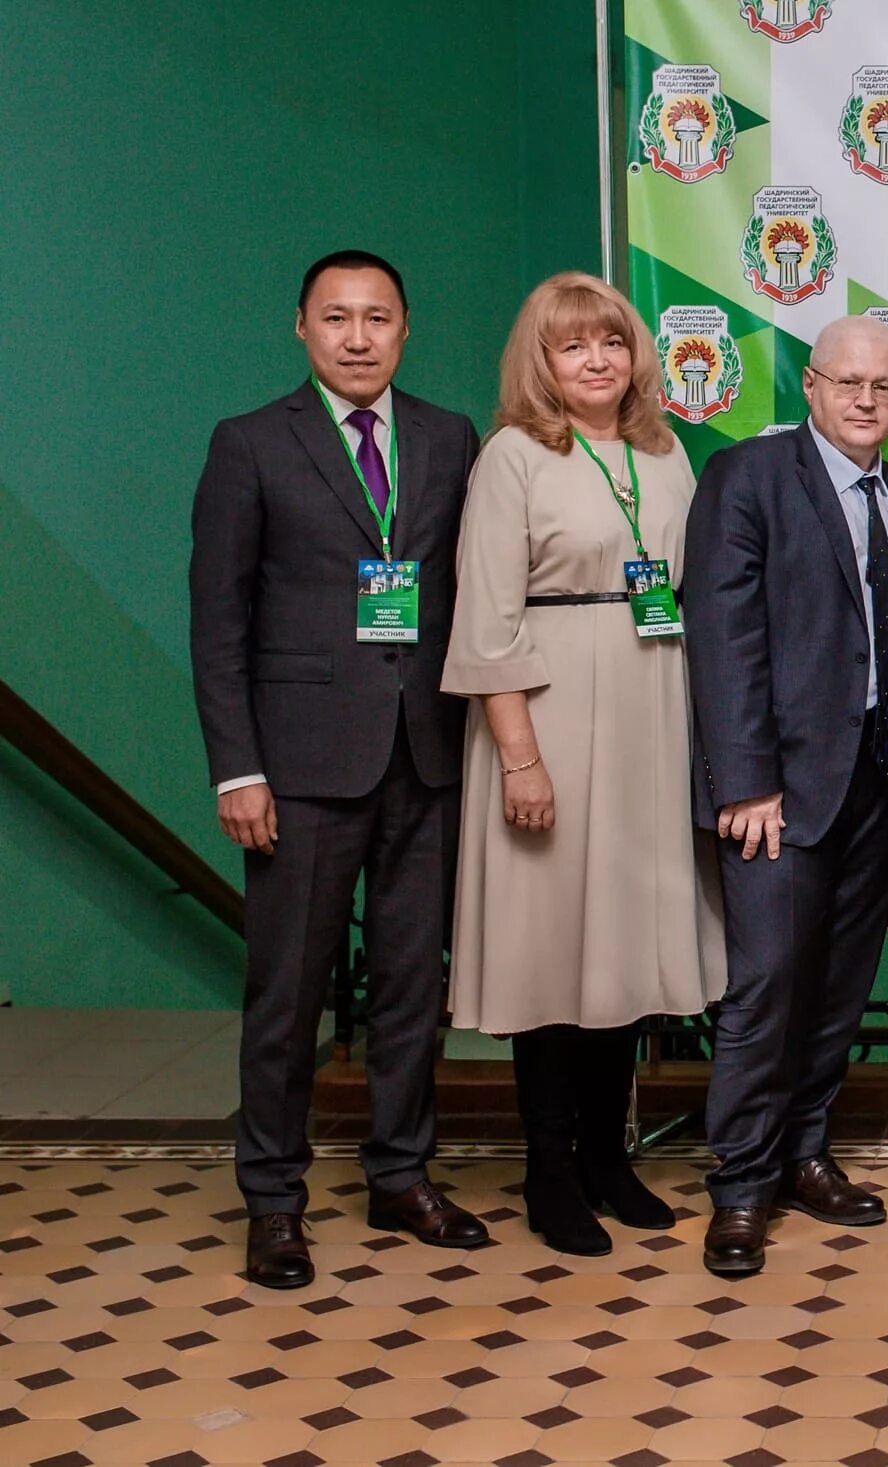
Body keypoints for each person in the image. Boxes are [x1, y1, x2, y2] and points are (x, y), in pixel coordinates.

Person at [189, 250, 490, 1289]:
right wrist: (238, 770)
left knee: (414, 989)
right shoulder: (250, 445)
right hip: (301, 768)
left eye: (378, 318)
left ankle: (400, 1176)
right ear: (302, 329)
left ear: (406, 330)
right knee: (289, 994)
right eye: (336, 318)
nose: (358, 337)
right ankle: (272, 1200)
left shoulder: (452, 439)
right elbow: (218, 621)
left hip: (428, 759)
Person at [441, 274, 724, 1258]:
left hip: (652, 713)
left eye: (610, 341)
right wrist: (519, 757)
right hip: (551, 718)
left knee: (623, 951)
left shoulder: (662, 447)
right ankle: (548, 1174)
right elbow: (484, 620)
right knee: (550, 954)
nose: (596, 360)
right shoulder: (511, 457)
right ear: (542, 363)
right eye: (572, 347)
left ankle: (609, 1159)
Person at [685, 315, 888, 1278]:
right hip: (778, 790)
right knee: (769, 986)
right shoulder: (747, 476)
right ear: (812, 386)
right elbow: (723, 635)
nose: (866, 401)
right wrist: (745, 781)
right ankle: (741, 1185)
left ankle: (804, 1152)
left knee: (838, 986)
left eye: (885, 387)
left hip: (879, 780)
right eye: (847, 382)